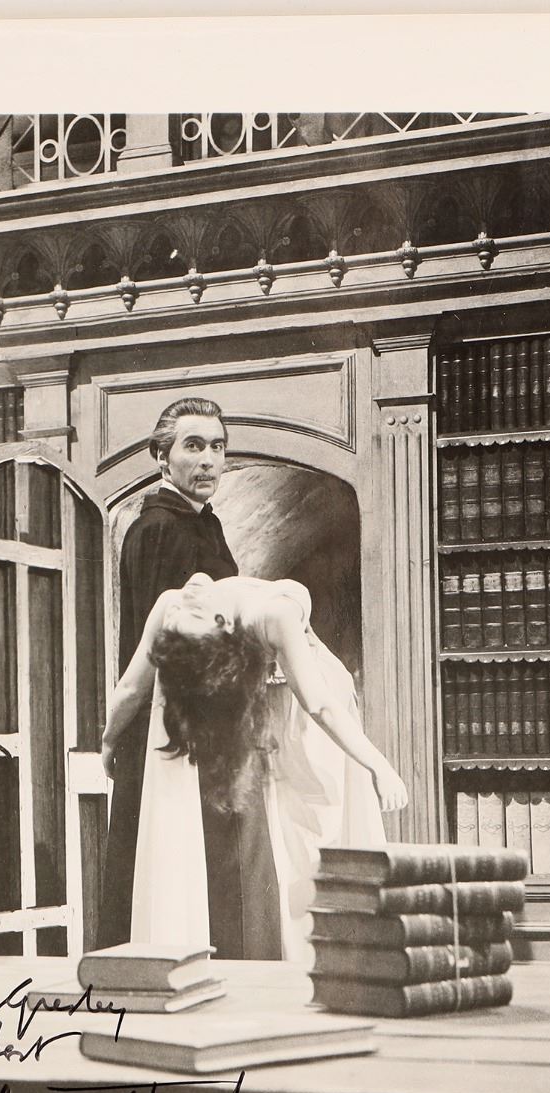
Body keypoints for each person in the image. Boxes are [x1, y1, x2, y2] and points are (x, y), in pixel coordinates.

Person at [100, 572, 410, 966]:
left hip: (307, 714)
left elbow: (320, 705)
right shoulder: (173, 607)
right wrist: (109, 739)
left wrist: (379, 767)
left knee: (304, 843)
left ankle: (312, 951)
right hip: (257, 701)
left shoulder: (273, 615)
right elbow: (131, 688)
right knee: (260, 843)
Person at [97, 397, 282, 959]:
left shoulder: (205, 525)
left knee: (218, 869)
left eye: (217, 447)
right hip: (177, 731)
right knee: (185, 871)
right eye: (193, 446)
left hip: (208, 725)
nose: (208, 460)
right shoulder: (158, 529)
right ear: (162, 457)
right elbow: (163, 650)